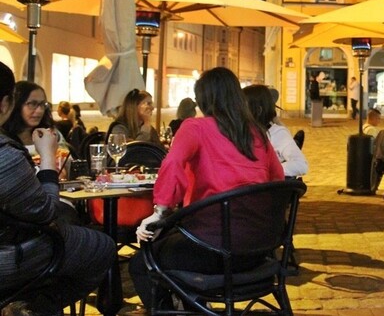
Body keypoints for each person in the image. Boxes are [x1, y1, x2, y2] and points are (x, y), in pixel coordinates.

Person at [130, 67, 285, 310]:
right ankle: (195, 306)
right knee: (174, 242)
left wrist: (159, 212)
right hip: (259, 250)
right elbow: (278, 182)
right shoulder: (257, 132)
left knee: (142, 262)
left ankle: (182, 310)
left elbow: (172, 164)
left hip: (211, 248)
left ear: (202, 99)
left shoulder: (195, 128)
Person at [0, 61, 115, 316]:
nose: (39, 110)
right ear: (8, 104)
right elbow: (46, 211)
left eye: (42, 104)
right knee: (103, 247)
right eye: (32, 103)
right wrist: (49, 160)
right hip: (10, 257)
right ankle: (31, 308)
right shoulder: (5, 155)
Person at [244, 84, 308, 178]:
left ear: (258, 110)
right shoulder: (242, 133)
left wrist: (266, 171)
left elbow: (301, 165)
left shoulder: (277, 133)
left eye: (243, 106)